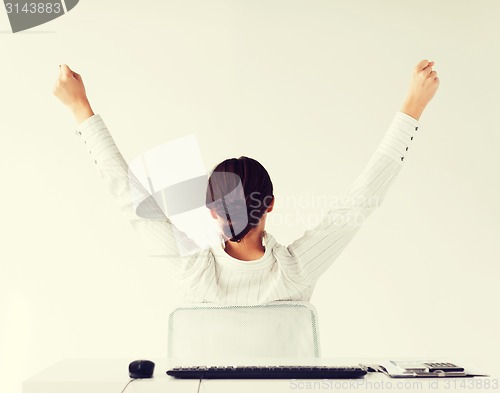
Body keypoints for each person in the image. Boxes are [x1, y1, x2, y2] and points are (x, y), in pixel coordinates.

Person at [53, 60, 439, 305]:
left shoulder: (193, 272)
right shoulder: (296, 271)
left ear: (210, 210)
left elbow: (129, 198)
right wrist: (413, 108)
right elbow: (361, 202)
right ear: (270, 203)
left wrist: (80, 109)